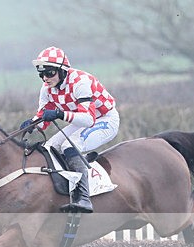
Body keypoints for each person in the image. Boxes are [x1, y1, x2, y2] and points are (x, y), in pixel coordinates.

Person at [21, 46, 120, 213]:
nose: (45, 78)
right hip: (81, 120)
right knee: (49, 147)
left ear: (62, 70)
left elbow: (88, 119)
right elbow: (43, 117)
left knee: (69, 145)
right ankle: (65, 188)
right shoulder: (47, 89)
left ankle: (84, 198)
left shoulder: (80, 82)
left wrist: (59, 113)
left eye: (50, 73)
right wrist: (32, 124)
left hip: (104, 119)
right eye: (41, 74)